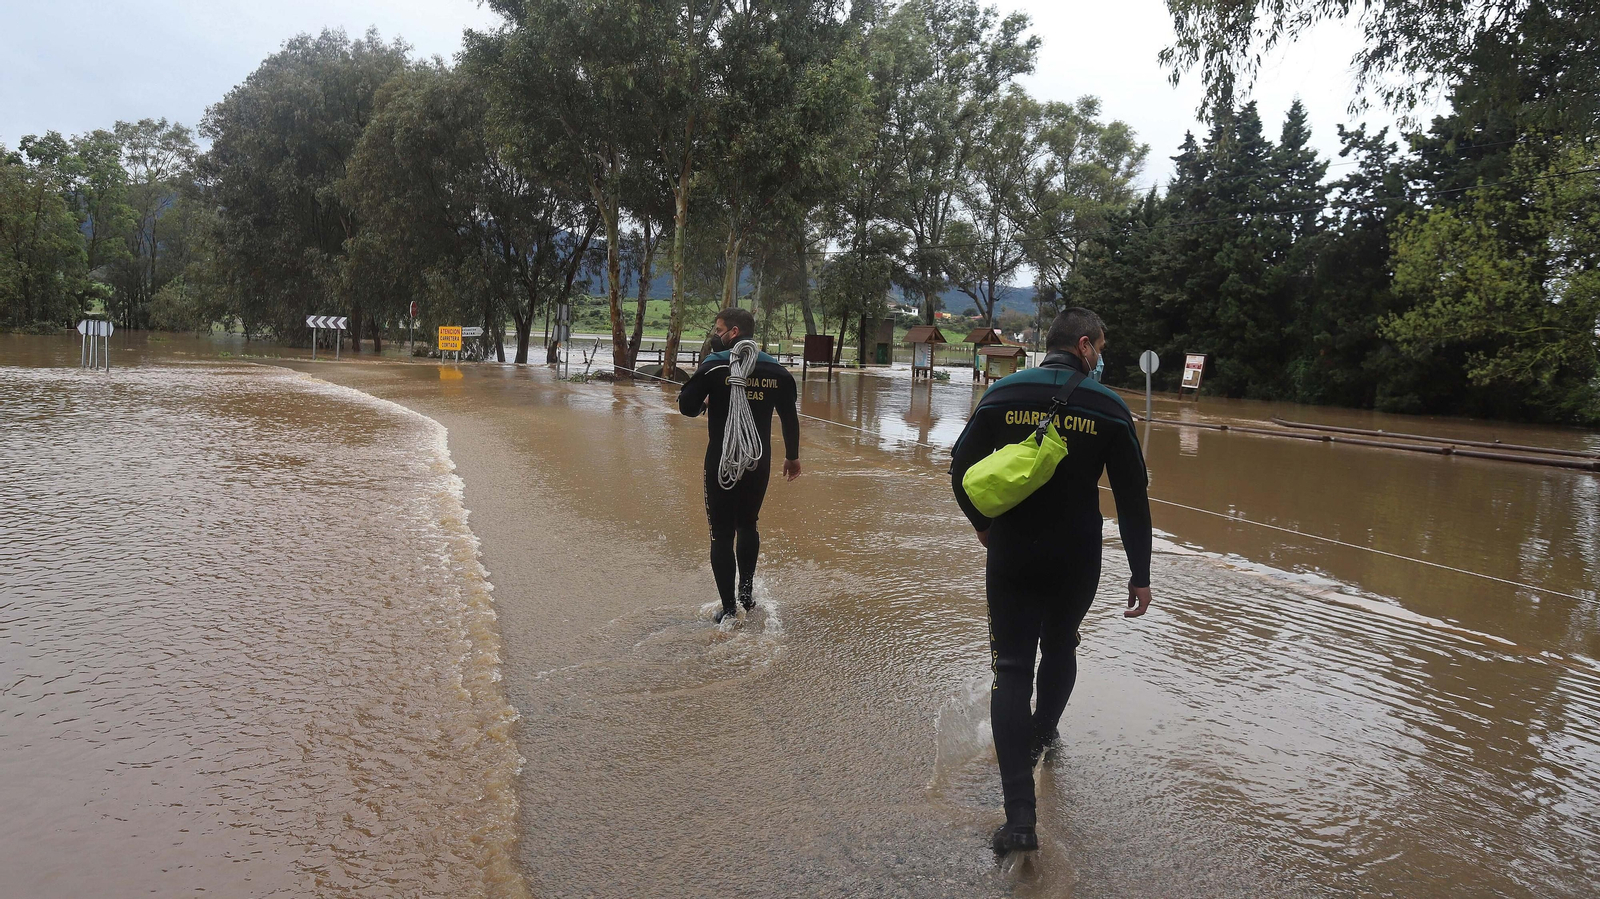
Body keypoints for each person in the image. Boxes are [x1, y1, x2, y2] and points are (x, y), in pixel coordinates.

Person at [948, 306, 1154, 856]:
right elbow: (1133, 497)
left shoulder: (1003, 394)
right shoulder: (1109, 407)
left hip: (1013, 550)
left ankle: (1019, 820)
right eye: (1101, 345)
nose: (1101, 354)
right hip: (1077, 554)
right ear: (1086, 346)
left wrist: (983, 526)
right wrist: (1141, 572)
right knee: (1061, 645)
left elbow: (960, 466)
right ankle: (1042, 734)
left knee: (1010, 666)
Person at [678, 308, 802, 623]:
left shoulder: (714, 366)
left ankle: (729, 609)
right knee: (748, 524)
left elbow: (687, 408)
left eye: (718, 329)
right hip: (757, 460)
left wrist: (706, 390)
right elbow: (789, 418)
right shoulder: (778, 372)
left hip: (723, 461)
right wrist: (792, 456)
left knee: (721, 534)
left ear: (733, 332)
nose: (715, 334)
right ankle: (746, 597)